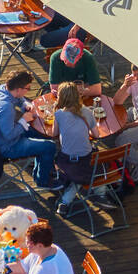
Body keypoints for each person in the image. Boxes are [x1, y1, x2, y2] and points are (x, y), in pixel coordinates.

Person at [0, 71, 58, 189]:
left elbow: (18, 99)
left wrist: (25, 104)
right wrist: (23, 120)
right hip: (7, 146)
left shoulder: (2, 89)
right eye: (27, 89)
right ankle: (43, 181)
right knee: (50, 146)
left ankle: (45, 166)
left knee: (42, 133)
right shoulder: (5, 108)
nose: (28, 91)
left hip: (1, 134)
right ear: (18, 89)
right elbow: (9, 136)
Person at [0, 221, 84, 274]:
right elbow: (23, 266)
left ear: (40, 245)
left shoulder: (49, 267)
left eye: (29, 242)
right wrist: (2, 269)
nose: (27, 244)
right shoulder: (45, 249)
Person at [51, 81, 98, 213]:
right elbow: (96, 134)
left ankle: (65, 201)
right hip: (87, 161)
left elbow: (54, 134)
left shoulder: (59, 114)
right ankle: (101, 192)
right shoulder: (87, 112)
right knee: (94, 156)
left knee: (75, 174)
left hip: (66, 162)